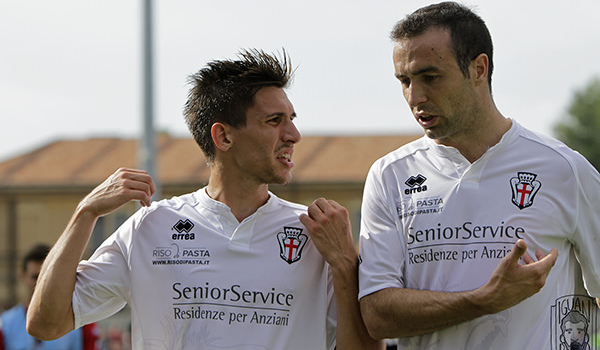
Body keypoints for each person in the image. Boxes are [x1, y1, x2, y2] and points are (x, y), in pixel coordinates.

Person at [26, 49, 382, 350]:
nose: (294, 135)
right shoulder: (151, 227)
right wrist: (85, 213)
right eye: (274, 121)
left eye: (291, 119)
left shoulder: (318, 234)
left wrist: (345, 264)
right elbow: (46, 323)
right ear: (223, 136)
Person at [357, 2, 600, 349]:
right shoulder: (390, 175)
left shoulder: (564, 169)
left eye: (430, 77)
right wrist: (485, 299)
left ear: (478, 69)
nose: (415, 96)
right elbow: (378, 315)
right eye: (405, 81)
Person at [0, 243, 100, 350]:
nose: (41, 283)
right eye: (35, 277)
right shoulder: (5, 325)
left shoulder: (81, 322)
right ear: (22, 277)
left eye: (46, 277)